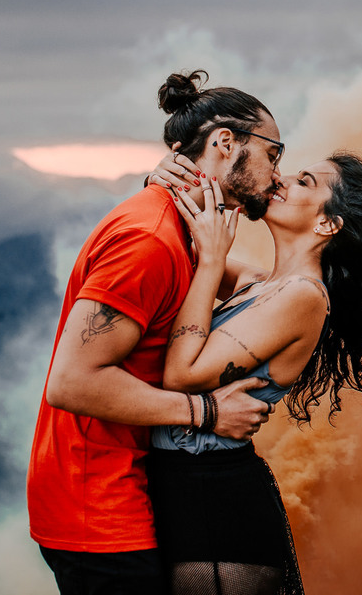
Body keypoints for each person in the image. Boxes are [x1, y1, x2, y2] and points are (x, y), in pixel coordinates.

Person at [27, 71, 287, 595]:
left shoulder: (184, 225)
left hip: (127, 493)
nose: (277, 174)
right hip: (97, 510)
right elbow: (71, 383)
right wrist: (209, 413)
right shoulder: (149, 241)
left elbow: (260, 289)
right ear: (224, 143)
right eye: (274, 153)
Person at [142, 149, 362, 595]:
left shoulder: (303, 297)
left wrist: (209, 261)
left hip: (216, 506)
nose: (281, 180)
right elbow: (178, 247)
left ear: (328, 224)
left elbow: (182, 376)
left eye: (305, 181)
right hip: (189, 490)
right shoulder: (262, 285)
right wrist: (160, 184)